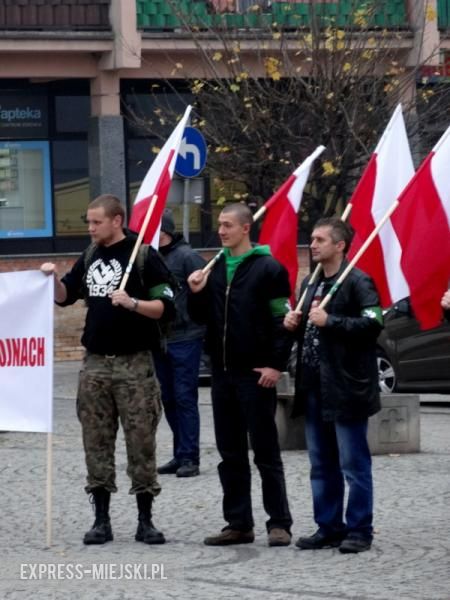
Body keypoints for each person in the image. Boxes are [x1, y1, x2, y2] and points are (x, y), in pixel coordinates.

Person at [40, 194, 175, 546]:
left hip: (135, 364)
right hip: (96, 364)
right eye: (88, 221)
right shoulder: (90, 255)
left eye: (96, 222)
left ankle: (145, 519)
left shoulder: (144, 255)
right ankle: (101, 519)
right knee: (96, 442)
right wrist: (52, 279)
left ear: (117, 220)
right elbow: (65, 295)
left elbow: (167, 307)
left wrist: (132, 303)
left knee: (141, 441)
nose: (90, 227)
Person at [187, 202, 293, 547]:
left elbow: (282, 320)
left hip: (255, 374)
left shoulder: (269, 268)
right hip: (222, 373)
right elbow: (201, 317)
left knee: (265, 451)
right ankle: (238, 523)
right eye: (219, 225)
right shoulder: (214, 267)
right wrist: (196, 291)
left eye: (227, 225)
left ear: (246, 228)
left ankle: (278, 523)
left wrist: (276, 365)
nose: (220, 231)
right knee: (229, 452)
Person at [284, 217, 383, 554]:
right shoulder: (310, 283)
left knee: (353, 463)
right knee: (320, 463)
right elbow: (308, 332)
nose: (312, 245)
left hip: (346, 387)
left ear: (339, 245)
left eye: (320, 240)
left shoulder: (357, 281)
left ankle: (359, 529)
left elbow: (373, 323)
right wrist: (293, 324)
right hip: (314, 385)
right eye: (312, 239)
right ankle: (328, 526)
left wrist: (331, 321)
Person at [154, 209, 206, 478]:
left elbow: (204, 291)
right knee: (169, 398)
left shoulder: (187, 256)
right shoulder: (152, 258)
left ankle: (189, 456)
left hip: (186, 337)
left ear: (162, 232)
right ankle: (179, 452)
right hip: (161, 339)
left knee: (185, 397)